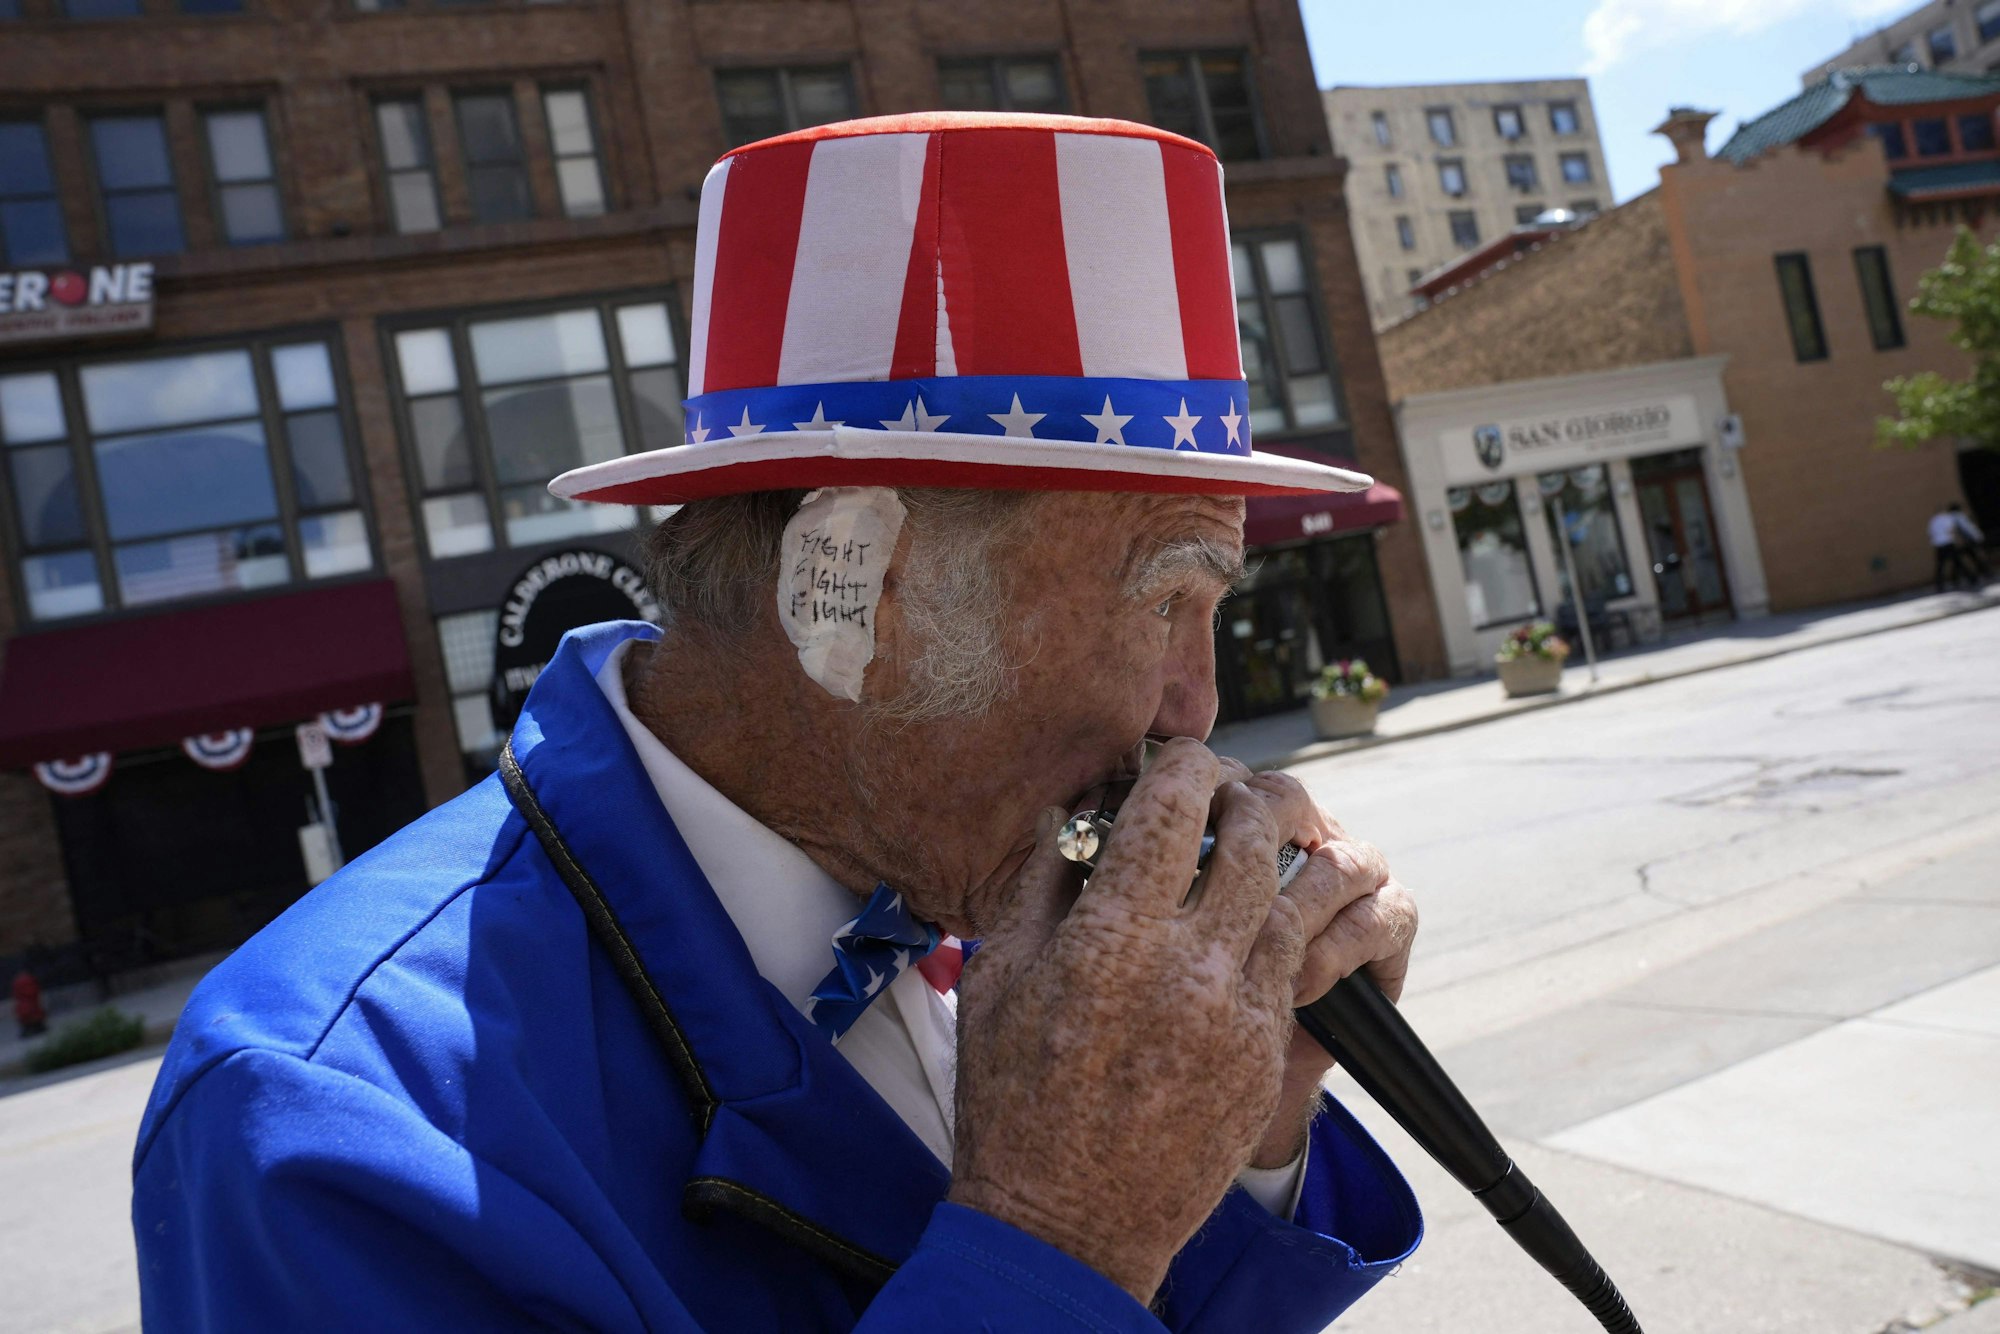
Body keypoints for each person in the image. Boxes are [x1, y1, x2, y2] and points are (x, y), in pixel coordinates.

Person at [132, 113, 1423, 1331]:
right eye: (1167, 601)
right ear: (852, 587)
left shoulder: (952, 863)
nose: (1196, 710)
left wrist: (1249, 1113)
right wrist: (1054, 1227)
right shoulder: (331, 1109)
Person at [1931, 501, 1987, 592]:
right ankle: (1972, 579)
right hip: (1948, 543)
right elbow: (1952, 530)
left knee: (1941, 566)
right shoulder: (1947, 519)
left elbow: (1931, 533)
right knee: (1958, 562)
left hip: (1939, 545)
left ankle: (1941, 584)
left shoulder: (1933, 521)